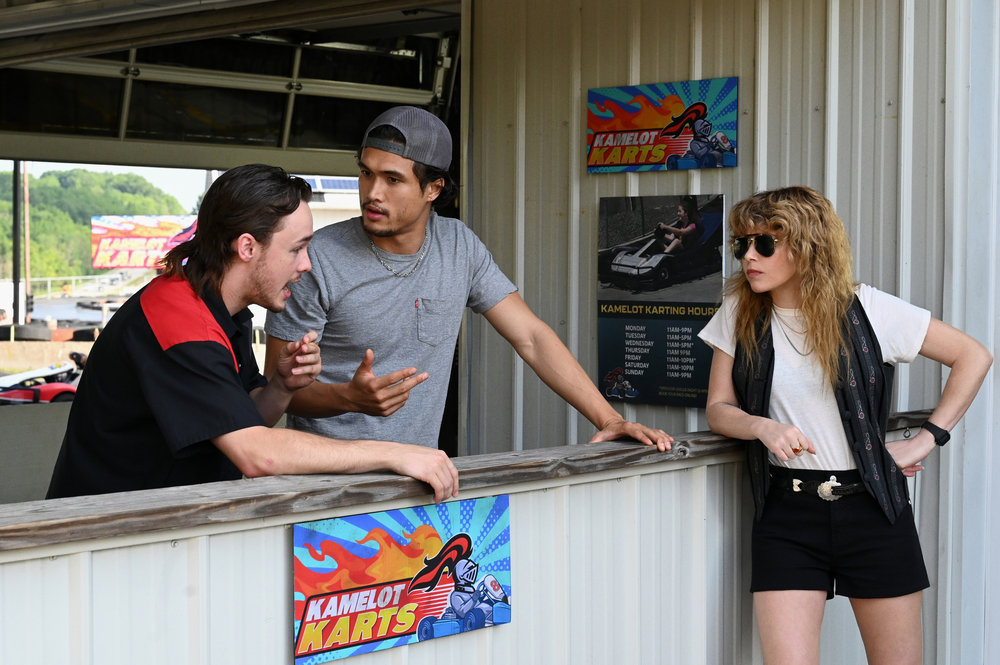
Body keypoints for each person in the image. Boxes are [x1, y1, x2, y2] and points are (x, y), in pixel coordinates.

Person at [265, 106, 672, 452]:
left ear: (433, 189)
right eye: (366, 173)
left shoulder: (458, 245)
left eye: (392, 179)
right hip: (327, 487)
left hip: (418, 480)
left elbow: (531, 336)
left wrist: (609, 418)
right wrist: (348, 398)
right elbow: (275, 390)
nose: (372, 192)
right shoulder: (315, 259)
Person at [698, 186, 992, 665]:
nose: (748, 257)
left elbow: (973, 356)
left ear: (805, 244)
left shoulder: (870, 310)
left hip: (873, 508)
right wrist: (762, 427)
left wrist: (927, 439)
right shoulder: (739, 313)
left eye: (764, 244)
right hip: (786, 511)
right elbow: (718, 407)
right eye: (741, 245)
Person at [46, 164, 458, 503]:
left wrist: (281, 386)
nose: (306, 265)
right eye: (297, 248)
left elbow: (241, 423)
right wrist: (398, 454)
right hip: (102, 541)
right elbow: (257, 455)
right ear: (247, 247)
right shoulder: (179, 323)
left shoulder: (224, 309)